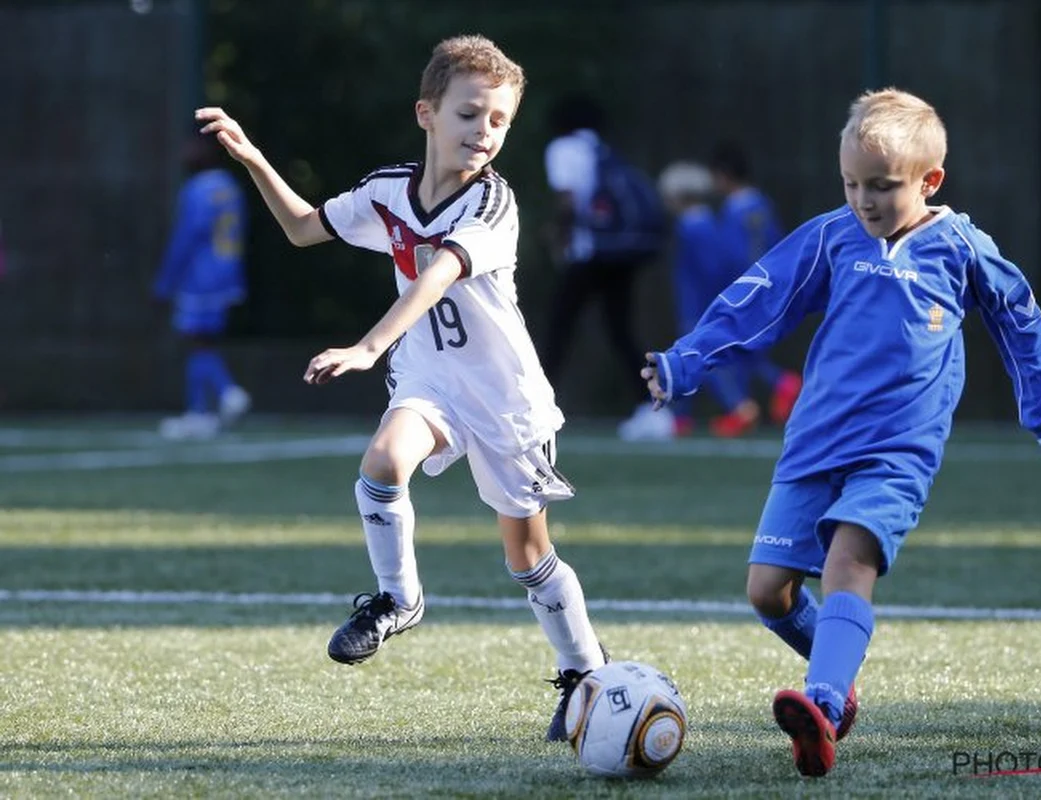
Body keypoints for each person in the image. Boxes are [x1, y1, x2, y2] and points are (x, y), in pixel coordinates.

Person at [641, 89, 1041, 777]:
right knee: (766, 592)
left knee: (849, 563)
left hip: (898, 451)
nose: (864, 200)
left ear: (930, 181)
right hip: (813, 443)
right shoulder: (831, 236)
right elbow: (760, 298)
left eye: (882, 186)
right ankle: (834, 677)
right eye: (851, 184)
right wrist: (685, 361)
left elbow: (1017, 316)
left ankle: (823, 699)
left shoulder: (959, 247)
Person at [196, 35, 608, 742]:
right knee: (383, 462)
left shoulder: (494, 203)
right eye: (469, 114)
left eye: (499, 121)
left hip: (503, 398)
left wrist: (367, 346)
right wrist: (253, 158)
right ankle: (397, 599)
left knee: (528, 556)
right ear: (427, 113)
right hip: (429, 377)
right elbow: (301, 229)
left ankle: (585, 675)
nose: (484, 133)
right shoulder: (388, 191)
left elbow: (438, 274)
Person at [538, 93, 670, 441]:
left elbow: (568, 200)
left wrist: (559, 238)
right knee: (621, 330)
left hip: (590, 252)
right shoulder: (604, 150)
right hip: (622, 251)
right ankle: (652, 407)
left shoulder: (564, 149)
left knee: (558, 328)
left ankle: (533, 407)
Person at [153, 134, 252, 440]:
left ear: (208, 150)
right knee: (204, 340)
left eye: (191, 146)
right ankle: (205, 409)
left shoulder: (197, 189)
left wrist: (165, 282)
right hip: (227, 273)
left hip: (200, 275)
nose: (185, 152)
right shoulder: (231, 188)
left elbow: (187, 237)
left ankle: (222, 394)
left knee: (196, 340)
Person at [657, 161, 760, 438]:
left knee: (699, 359)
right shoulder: (698, 224)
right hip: (693, 304)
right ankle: (682, 417)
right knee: (687, 357)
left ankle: (738, 405)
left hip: (698, 305)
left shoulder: (696, 226)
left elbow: (710, 268)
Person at [710, 140, 804, 429]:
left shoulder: (734, 211)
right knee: (744, 346)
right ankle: (761, 395)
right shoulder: (762, 205)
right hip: (772, 286)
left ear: (724, 175)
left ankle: (772, 388)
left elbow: (732, 255)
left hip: (745, 287)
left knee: (727, 344)